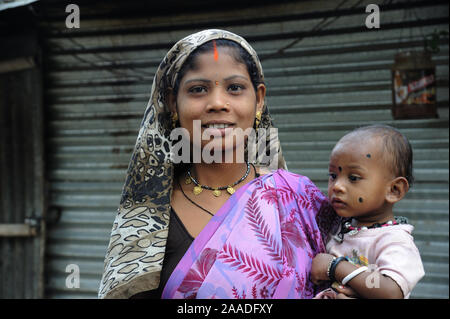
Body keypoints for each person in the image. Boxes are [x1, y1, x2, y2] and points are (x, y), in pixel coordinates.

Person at [98, 29, 339, 299]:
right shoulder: (148, 218)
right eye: (198, 89)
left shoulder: (297, 200)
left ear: (259, 99)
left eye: (234, 88)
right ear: (172, 103)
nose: (217, 103)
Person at [311, 125, 425, 299]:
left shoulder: (394, 241)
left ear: (394, 190)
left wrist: (334, 267)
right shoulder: (338, 226)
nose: (337, 186)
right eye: (333, 175)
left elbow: (391, 291)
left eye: (353, 178)